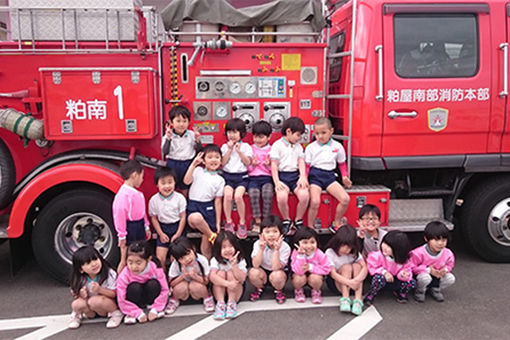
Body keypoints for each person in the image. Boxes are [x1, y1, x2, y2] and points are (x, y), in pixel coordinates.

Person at [305, 117, 351, 231]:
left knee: (345, 199)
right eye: (317, 133)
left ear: (331, 131)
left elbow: (341, 164)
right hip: (315, 177)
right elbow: (306, 166)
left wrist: (345, 176)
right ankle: (310, 227)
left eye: (324, 133)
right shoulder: (311, 147)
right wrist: (304, 179)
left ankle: (336, 223)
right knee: (315, 201)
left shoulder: (337, 146)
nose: (320, 136)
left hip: (330, 176)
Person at [184, 144, 225, 259]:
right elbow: (186, 181)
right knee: (195, 218)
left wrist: (217, 222)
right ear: (203, 160)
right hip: (194, 206)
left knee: (206, 246)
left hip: (208, 208)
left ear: (221, 161)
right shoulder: (197, 170)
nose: (213, 160)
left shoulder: (220, 180)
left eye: (217, 157)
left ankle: (207, 270)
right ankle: (213, 236)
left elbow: (218, 202)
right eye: (210, 157)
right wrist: (193, 164)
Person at [270, 117, 310, 234]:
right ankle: (286, 220)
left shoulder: (298, 147)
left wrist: (303, 176)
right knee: (281, 197)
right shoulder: (277, 145)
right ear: (288, 132)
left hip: (295, 176)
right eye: (298, 135)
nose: (299, 138)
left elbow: (301, 162)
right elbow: (274, 165)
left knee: (304, 195)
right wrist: (277, 182)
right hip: (282, 177)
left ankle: (298, 219)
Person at [68, 246, 123, 329]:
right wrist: (81, 294)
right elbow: (75, 295)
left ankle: (116, 314)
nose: (94, 264)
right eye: (88, 263)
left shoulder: (109, 273)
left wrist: (100, 290)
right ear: (81, 269)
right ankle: (77, 316)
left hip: (104, 305)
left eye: (95, 259)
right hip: (90, 309)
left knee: (94, 301)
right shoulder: (80, 279)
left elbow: (114, 294)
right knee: (76, 304)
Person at [112, 159, 151, 273]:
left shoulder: (135, 193)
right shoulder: (123, 195)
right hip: (130, 228)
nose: (142, 180)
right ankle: (120, 282)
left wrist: (146, 226)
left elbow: (142, 212)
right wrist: (122, 235)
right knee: (125, 258)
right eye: (142, 176)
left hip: (139, 226)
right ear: (134, 175)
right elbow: (119, 216)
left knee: (140, 255)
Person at [116, 241, 169, 324]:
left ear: (148, 259)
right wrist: (138, 313)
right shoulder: (124, 275)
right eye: (130, 262)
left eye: (138, 263)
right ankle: (132, 311)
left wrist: (156, 309)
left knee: (153, 284)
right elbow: (121, 299)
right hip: (135, 299)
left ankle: (152, 307)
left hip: (150, 296)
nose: (134, 267)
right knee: (134, 287)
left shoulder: (155, 269)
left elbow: (164, 290)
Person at [148, 166, 187, 268]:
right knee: (160, 259)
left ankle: (177, 279)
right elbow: (154, 218)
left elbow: (183, 217)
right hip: (163, 228)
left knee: (178, 257)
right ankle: (163, 279)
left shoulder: (180, 198)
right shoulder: (154, 200)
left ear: (175, 183)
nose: (167, 186)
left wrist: (178, 234)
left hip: (177, 227)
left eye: (170, 182)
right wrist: (161, 234)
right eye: (163, 183)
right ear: (157, 184)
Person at [221, 118, 253, 239]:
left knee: (238, 196)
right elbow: (222, 163)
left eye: (235, 132)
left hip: (242, 177)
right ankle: (229, 222)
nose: (232, 135)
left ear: (241, 133)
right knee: (228, 196)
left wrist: (239, 152)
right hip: (228, 176)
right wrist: (229, 150)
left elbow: (247, 162)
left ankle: (242, 223)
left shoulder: (246, 147)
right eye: (229, 132)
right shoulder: (224, 147)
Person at [325, 225, 367, 316]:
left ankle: (358, 300)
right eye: (343, 246)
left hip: (353, 284)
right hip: (338, 283)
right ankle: (345, 298)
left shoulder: (354, 253)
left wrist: (356, 280)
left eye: (349, 247)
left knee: (357, 266)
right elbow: (333, 273)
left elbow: (364, 267)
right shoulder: (330, 252)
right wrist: (349, 282)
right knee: (346, 267)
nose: (346, 250)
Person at [166, 236, 215, 314]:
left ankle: (207, 298)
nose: (187, 259)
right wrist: (182, 276)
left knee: (195, 286)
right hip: (183, 284)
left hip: (198, 284)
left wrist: (195, 276)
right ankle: (175, 299)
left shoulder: (202, 260)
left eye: (188, 254)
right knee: (179, 288)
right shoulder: (175, 264)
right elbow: (171, 283)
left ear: (193, 249)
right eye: (182, 258)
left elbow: (206, 281)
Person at [365, 231, 415, 305]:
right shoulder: (378, 255)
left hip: (396, 280)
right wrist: (384, 272)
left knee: (412, 282)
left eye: (390, 247)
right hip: (383, 280)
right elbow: (371, 266)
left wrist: (403, 274)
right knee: (378, 279)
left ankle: (400, 292)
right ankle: (371, 294)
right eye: (384, 243)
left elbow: (408, 270)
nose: (385, 247)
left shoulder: (405, 259)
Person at [248, 215, 290, 304]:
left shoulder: (285, 247)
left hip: (277, 273)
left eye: (275, 231)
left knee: (277, 275)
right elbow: (255, 265)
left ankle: (278, 290)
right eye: (267, 232)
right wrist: (261, 249)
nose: (271, 235)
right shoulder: (257, 244)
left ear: (281, 234)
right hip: (263, 272)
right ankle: (259, 288)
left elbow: (276, 268)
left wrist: (276, 250)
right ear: (261, 234)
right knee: (253, 272)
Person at [411, 221, 455, 302]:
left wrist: (445, 270)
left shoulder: (448, 253)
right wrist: (428, 270)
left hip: (437, 276)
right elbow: (412, 267)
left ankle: (435, 289)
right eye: (436, 240)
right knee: (425, 278)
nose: (440, 243)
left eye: (444, 240)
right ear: (426, 239)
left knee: (451, 278)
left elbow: (450, 264)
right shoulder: (418, 253)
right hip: (423, 275)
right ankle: (419, 291)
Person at [162, 105, 201, 196]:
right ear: (171, 122)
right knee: (172, 186)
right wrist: (168, 139)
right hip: (173, 163)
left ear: (189, 122)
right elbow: (165, 152)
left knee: (186, 187)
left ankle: (185, 206)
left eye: (184, 121)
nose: (181, 124)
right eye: (178, 121)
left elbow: (200, 150)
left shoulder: (192, 135)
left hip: (187, 164)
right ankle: (173, 206)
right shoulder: (168, 135)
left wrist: (198, 140)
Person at [209, 231, 247, 320]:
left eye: (230, 246)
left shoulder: (240, 259)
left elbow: (242, 279)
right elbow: (212, 277)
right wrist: (227, 284)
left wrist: (234, 265)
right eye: (224, 247)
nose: (228, 250)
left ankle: (231, 304)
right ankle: (220, 304)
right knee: (221, 273)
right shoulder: (215, 260)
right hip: (220, 291)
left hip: (235, 290)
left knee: (231, 273)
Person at [291, 227, 330, 304]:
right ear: (297, 243)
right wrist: (301, 256)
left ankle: (316, 291)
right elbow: (298, 271)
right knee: (298, 278)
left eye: (312, 242)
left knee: (316, 278)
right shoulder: (296, 253)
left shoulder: (319, 254)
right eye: (305, 242)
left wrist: (311, 267)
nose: (309, 246)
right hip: (301, 275)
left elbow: (326, 269)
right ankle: (299, 290)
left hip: (314, 276)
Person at [247, 120, 274, 233]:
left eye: (261, 137)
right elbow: (247, 168)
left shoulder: (272, 149)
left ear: (269, 137)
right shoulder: (250, 149)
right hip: (253, 178)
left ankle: (266, 220)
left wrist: (269, 166)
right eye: (256, 137)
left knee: (267, 193)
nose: (258, 140)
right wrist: (252, 165)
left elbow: (274, 169)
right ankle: (257, 220)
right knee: (254, 193)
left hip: (267, 178)